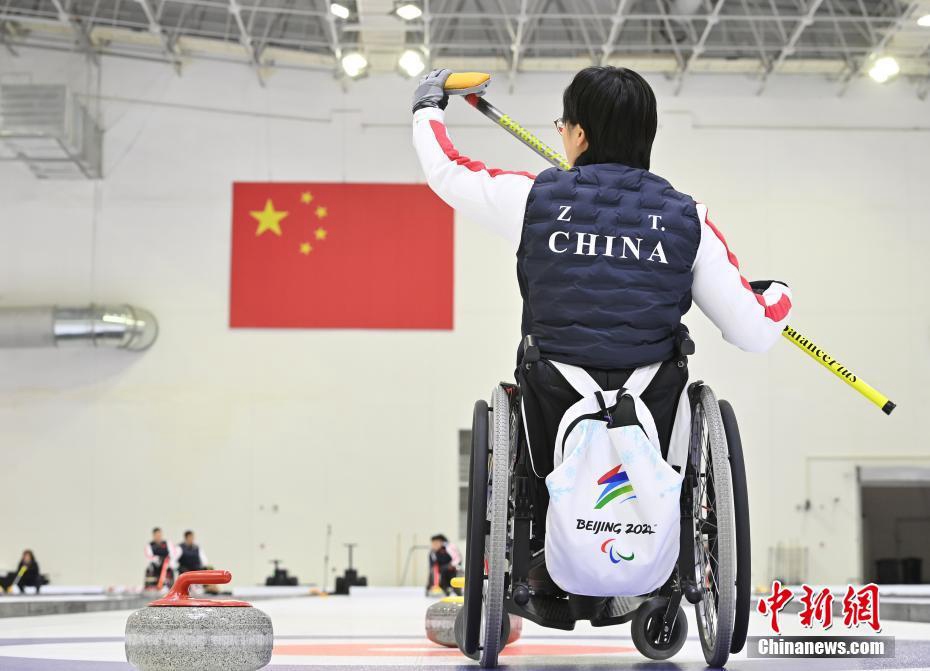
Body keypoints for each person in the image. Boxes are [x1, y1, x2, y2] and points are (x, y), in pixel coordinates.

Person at [412, 67, 791, 539]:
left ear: (579, 134)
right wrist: (776, 294)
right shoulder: (688, 220)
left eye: (562, 125)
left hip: (550, 395)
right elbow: (753, 332)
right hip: (652, 401)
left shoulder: (534, 199)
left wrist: (427, 105)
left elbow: (447, 171)